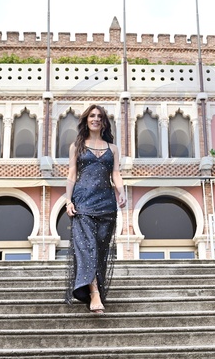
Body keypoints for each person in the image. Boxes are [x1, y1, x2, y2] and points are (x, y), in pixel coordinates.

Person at [64, 104, 126, 315]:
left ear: (104, 122)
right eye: (92, 115)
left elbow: (115, 173)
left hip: (106, 204)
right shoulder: (77, 146)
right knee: (87, 247)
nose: (96, 119)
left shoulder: (113, 148)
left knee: (100, 249)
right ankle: (94, 293)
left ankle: (95, 287)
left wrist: (121, 191)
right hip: (83, 202)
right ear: (86, 120)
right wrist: (68, 201)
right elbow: (72, 174)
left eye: (100, 116)